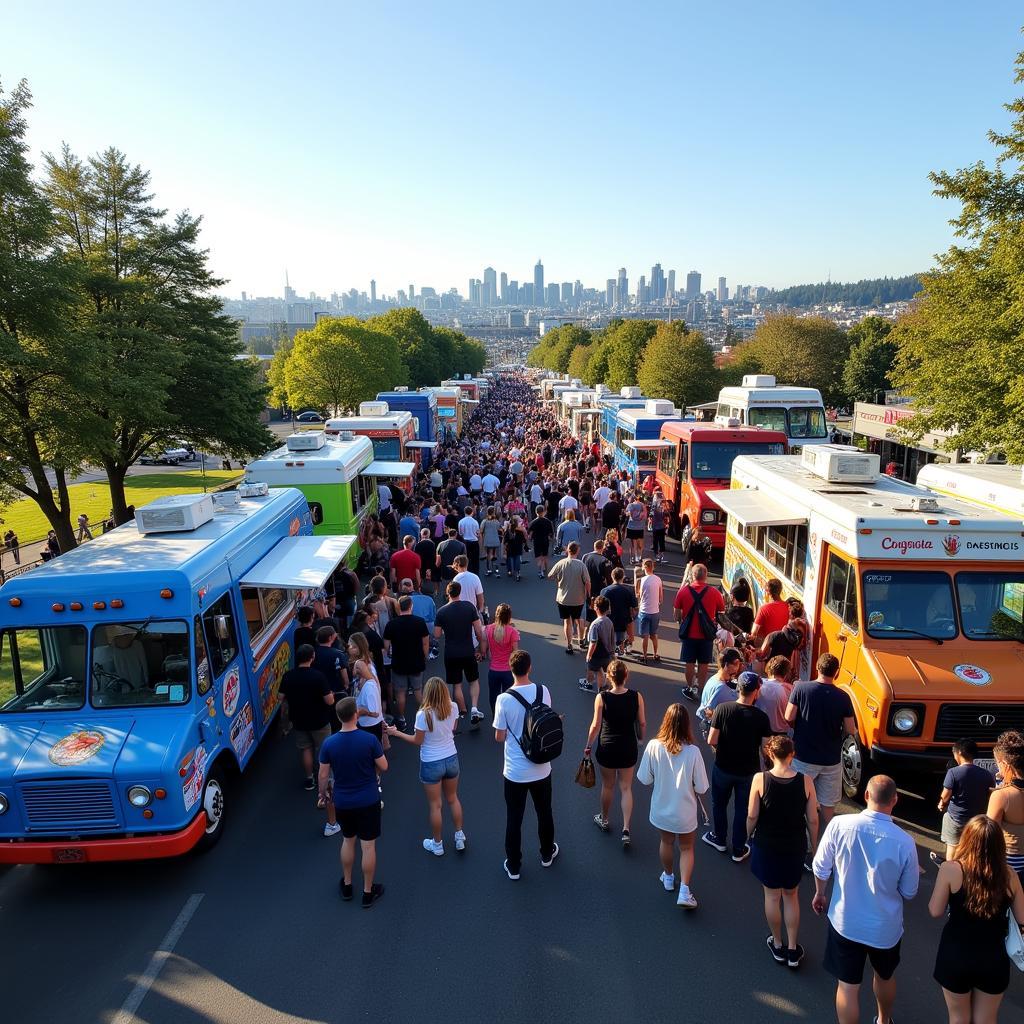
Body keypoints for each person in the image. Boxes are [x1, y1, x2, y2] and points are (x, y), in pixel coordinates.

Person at [812, 775, 919, 1024]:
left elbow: (820, 867)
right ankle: (884, 1019)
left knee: (848, 986)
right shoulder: (905, 842)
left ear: (867, 795)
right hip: (885, 929)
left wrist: (820, 893)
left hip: (845, 922)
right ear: (895, 800)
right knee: (884, 976)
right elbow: (910, 891)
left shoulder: (839, 824)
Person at [929, 815, 1024, 1024]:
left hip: (955, 955)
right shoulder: (1010, 876)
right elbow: (1022, 918)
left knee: (959, 1018)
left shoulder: (951, 869)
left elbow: (935, 910)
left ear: (967, 839)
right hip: (993, 959)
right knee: (986, 1019)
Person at [746, 735, 819, 969]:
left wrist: (747, 835)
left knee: (772, 896)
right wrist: (814, 846)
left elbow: (752, 815)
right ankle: (792, 948)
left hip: (767, 844)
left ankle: (777, 943)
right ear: (792, 755)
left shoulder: (760, 779)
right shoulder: (805, 781)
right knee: (791, 896)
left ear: (769, 754)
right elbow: (814, 820)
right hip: (794, 845)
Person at [785, 652, 856, 866]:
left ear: (817, 667)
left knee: (801, 803)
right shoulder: (843, 697)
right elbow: (850, 729)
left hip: (804, 756)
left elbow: (789, 717)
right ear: (837, 672)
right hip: (831, 760)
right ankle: (828, 850)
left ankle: (804, 846)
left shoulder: (801, 689)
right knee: (827, 807)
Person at [493, 649, 558, 880]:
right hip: (542, 767)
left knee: (514, 818)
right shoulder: (544, 691)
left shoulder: (504, 700)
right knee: (544, 812)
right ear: (529, 668)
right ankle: (547, 854)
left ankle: (513, 865)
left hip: (515, 771)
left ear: (511, 670)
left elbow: (499, 737)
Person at [637, 704, 709, 909]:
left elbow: (644, 779)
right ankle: (685, 891)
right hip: (685, 812)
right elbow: (702, 787)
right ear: (687, 725)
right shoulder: (693, 752)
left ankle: (668, 877)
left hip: (661, 808)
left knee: (666, 842)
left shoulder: (653, 746)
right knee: (686, 848)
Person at [318, 697, 388, 907]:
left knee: (348, 840)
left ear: (339, 717)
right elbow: (384, 766)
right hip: (368, 799)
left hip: (343, 801)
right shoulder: (369, 740)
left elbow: (323, 775)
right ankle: (368, 892)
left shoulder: (329, 743)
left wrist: (323, 794)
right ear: (356, 714)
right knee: (368, 847)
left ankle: (347, 885)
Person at [386, 677, 467, 856]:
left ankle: (437, 844)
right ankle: (459, 836)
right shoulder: (452, 707)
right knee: (453, 799)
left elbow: (418, 740)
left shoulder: (423, 714)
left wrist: (396, 733)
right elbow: (452, 729)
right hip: (451, 758)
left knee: (435, 805)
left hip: (431, 762)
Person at [703, 671, 772, 863]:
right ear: (756, 691)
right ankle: (739, 848)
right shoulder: (761, 717)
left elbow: (712, 739)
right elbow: (766, 749)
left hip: (723, 766)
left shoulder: (723, 709)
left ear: (738, 688)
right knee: (743, 809)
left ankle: (719, 838)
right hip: (749, 771)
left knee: (719, 803)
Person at [585, 658, 645, 845]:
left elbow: (595, 725)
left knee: (608, 785)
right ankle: (626, 828)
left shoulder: (602, 697)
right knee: (626, 788)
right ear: (626, 676)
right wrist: (641, 738)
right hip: (628, 747)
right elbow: (642, 722)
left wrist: (588, 745)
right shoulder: (637, 696)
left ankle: (604, 819)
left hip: (607, 747)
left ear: (609, 677)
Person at [279, 644, 337, 804]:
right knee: (324, 749)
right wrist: (331, 694)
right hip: (320, 719)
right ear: (312, 657)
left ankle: (309, 778)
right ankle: (326, 778)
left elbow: (280, 697)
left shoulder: (288, 676)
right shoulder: (318, 676)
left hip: (299, 719)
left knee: (305, 749)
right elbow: (329, 701)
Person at [933, 738, 995, 865]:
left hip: (956, 818)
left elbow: (946, 795)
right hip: (976, 820)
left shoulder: (953, 772)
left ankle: (949, 869)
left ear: (959, 753)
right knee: (972, 847)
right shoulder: (986, 774)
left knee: (952, 845)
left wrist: (941, 804)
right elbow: (990, 794)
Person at [434, 580, 487, 723]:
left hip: (451, 653)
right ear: (460, 592)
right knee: (473, 680)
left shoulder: (441, 612)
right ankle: (474, 708)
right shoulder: (469, 607)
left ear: (447, 593)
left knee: (456, 684)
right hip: (468, 650)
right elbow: (478, 631)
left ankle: (463, 709)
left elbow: (437, 635)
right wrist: (480, 648)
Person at [674, 564, 726, 700]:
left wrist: (682, 620)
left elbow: (676, 614)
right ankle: (701, 689)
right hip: (706, 635)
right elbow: (721, 612)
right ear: (706, 575)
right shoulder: (715, 593)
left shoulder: (684, 591)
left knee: (689, 663)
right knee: (704, 663)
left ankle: (689, 687)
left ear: (693, 575)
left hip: (689, 634)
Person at [382, 595, 429, 732]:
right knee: (418, 690)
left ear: (399, 607)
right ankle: (423, 718)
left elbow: (386, 646)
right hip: (416, 662)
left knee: (400, 693)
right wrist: (423, 657)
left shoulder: (392, 624)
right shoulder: (419, 622)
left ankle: (401, 719)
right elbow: (425, 642)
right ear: (411, 606)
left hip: (399, 663)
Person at [986, 730, 1024, 885]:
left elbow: (989, 835)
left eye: (998, 764)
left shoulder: (1002, 796)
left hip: (1009, 862)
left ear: (1006, 765)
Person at [548, 540, 590, 655]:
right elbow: (587, 581)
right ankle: (581, 640)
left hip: (563, 598)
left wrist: (559, 580)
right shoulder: (581, 564)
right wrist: (588, 594)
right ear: (578, 551)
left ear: (567, 550)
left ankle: (569, 645)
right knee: (579, 619)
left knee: (567, 621)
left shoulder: (561, 563)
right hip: (578, 598)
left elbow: (550, 575)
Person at [696, 646, 743, 735]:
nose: (738, 667)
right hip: (719, 732)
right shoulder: (721, 688)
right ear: (726, 665)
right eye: (736, 664)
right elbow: (708, 712)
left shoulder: (714, 678)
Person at [348, 632, 385, 744]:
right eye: (349, 646)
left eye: (353, 647)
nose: (349, 649)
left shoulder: (369, 684)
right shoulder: (365, 673)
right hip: (365, 722)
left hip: (368, 724)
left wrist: (359, 713)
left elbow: (373, 711)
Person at [484, 603, 520, 711]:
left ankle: (496, 717)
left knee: (493, 697)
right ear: (509, 616)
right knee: (508, 698)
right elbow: (516, 653)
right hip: (508, 672)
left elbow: (484, 649)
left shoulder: (488, 629)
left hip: (493, 671)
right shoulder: (512, 632)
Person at [581, 595, 616, 693]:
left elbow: (593, 641)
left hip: (596, 654)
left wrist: (589, 655)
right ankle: (603, 688)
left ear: (596, 608)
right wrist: (612, 653)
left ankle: (589, 683)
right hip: (607, 653)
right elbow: (612, 638)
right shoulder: (609, 622)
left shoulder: (595, 624)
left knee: (591, 668)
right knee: (601, 670)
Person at [601, 566, 638, 656]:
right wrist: (634, 617)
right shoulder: (629, 590)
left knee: (610, 636)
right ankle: (623, 648)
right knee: (621, 635)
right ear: (623, 577)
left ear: (612, 576)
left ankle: (615, 649)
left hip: (610, 618)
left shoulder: (605, 591)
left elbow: (602, 606)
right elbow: (634, 606)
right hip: (624, 618)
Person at [634, 558, 664, 663]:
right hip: (655, 611)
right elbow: (661, 598)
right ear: (653, 567)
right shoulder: (658, 579)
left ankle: (645, 656)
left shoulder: (641, 580)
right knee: (653, 635)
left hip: (644, 611)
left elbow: (638, 595)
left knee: (645, 636)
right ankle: (655, 654)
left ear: (644, 568)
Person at [756, 655, 794, 736]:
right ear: (787, 673)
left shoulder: (759, 684)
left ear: (769, 668)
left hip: (760, 733)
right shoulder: (791, 690)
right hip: (782, 735)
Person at [458, 503, 481, 575]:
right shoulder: (475, 522)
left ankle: (466, 571)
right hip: (474, 542)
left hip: (465, 542)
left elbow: (461, 533)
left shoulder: (461, 521)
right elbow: (478, 533)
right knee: (475, 559)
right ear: (472, 512)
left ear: (465, 512)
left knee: (466, 558)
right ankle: (475, 573)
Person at [624, 492, 647, 562]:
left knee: (632, 544)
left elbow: (627, 514)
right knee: (640, 543)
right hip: (640, 527)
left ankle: (632, 558)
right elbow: (645, 517)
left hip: (631, 526)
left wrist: (627, 512)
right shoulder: (643, 506)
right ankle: (639, 557)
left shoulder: (630, 505)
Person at [481, 506, 502, 577]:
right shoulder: (496, 521)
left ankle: (488, 570)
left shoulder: (485, 521)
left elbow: (481, 530)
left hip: (487, 540)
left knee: (488, 555)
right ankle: (496, 570)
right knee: (495, 554)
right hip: (495, 540)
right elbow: (499, 529)